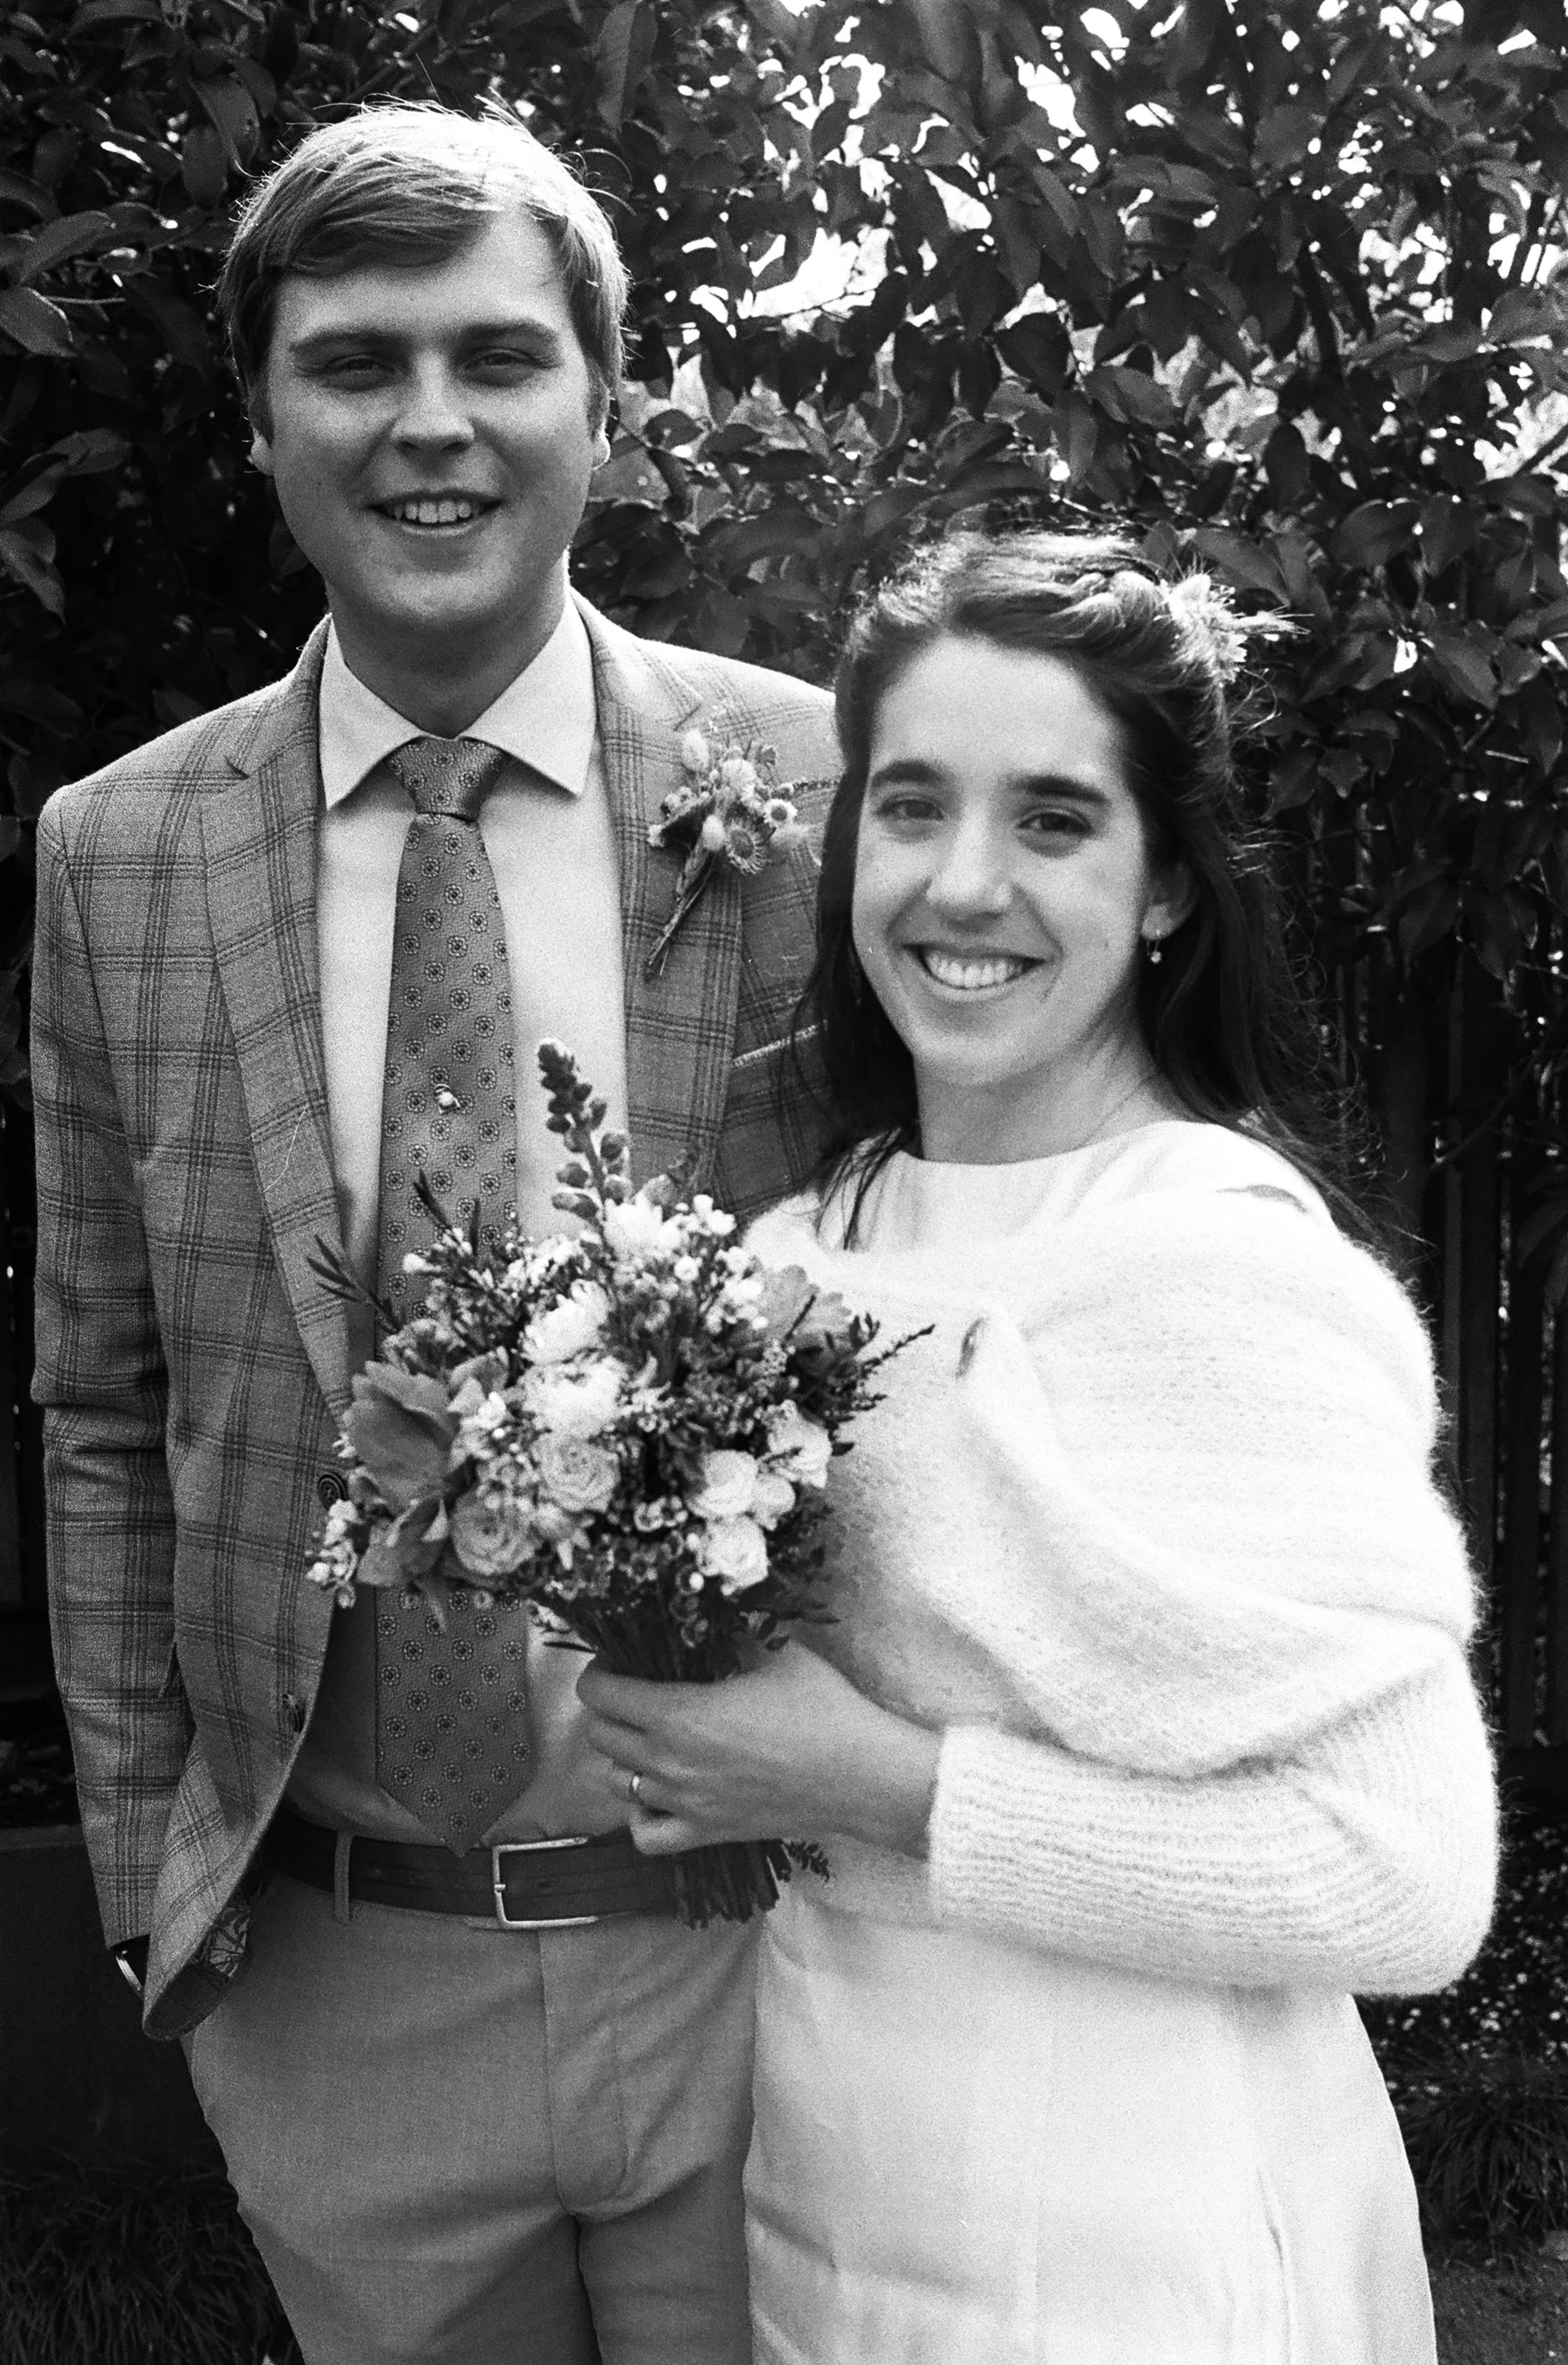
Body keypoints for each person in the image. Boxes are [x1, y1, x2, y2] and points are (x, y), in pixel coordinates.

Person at [33, 103, 837, 2365]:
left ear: (602, 394)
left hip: (770, 1943)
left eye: (497, 356)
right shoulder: (121, 852)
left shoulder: (823, 794)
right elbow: (103, 1394)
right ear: (268, 416)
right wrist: (144, 1887)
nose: (429, 424)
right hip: (336, 1975)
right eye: (353, 361)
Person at [578, 531, 1500, 2363]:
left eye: (1054, 821)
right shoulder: (789, 1259)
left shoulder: (1210, 1265)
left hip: (1130, 2235)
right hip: (836, 2188)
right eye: (909, 808)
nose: (962, 882)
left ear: (1164, 887)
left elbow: (1398, 1879)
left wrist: (883, 1786)